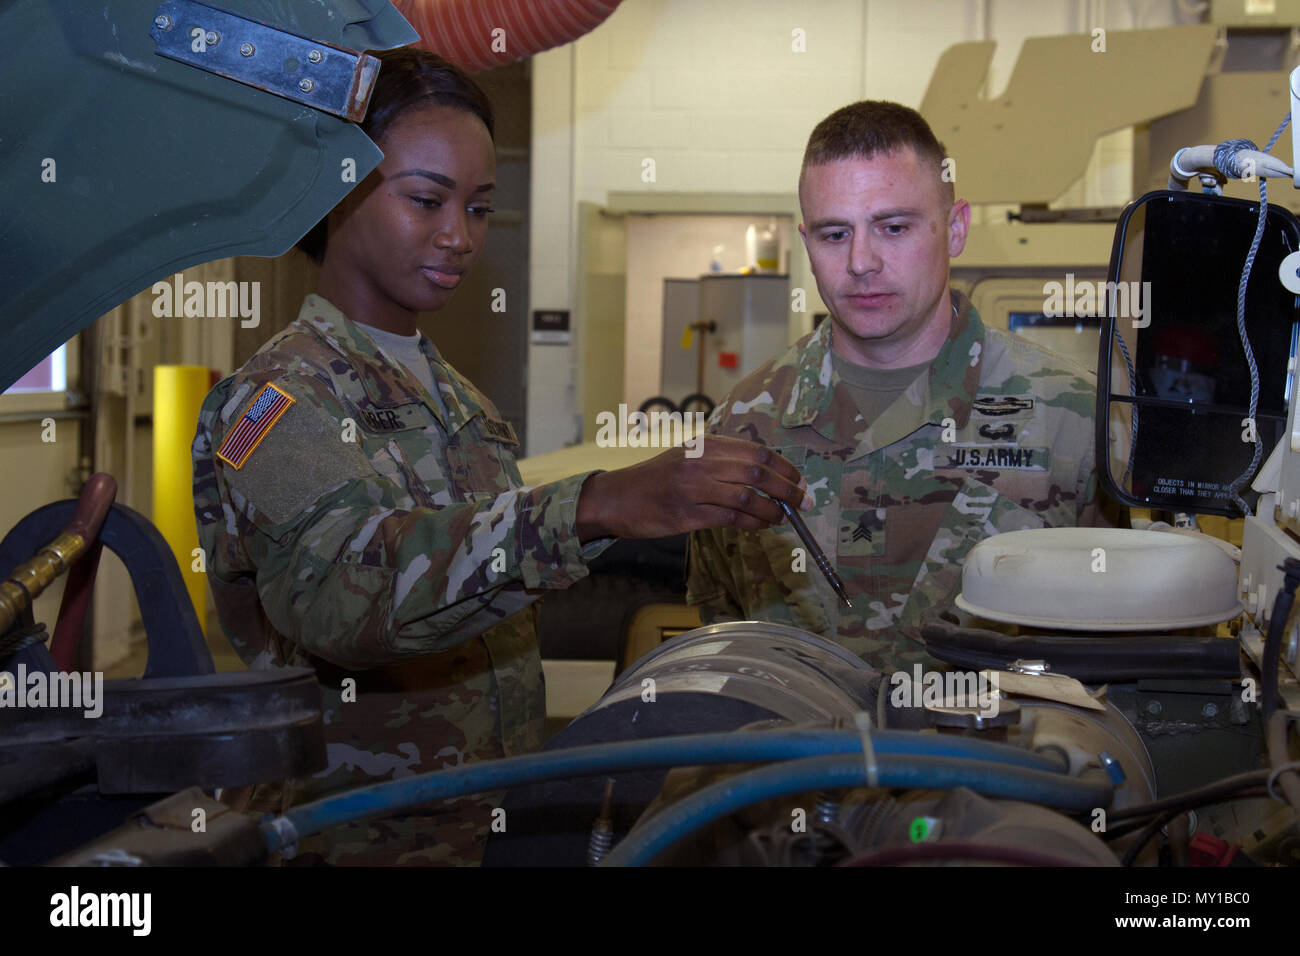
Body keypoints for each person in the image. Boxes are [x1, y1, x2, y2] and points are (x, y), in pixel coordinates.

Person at [191, 47, 808, 866]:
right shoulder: (273, 402)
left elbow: (487, 592)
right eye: (426, 200)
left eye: (479, 207)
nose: (459, 236)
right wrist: (599, 505)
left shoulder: (459, 401)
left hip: (487, 824)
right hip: (356, 837)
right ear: (335, 189)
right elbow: (338, 596)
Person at [686, 101, 1100, 673]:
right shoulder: (744, 422)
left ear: (955, 229)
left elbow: (1129, 648)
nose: (861, 262)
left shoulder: (1075, 417)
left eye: (894, 227)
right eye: (835, 234)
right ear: (808, 244)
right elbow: (723, 633)